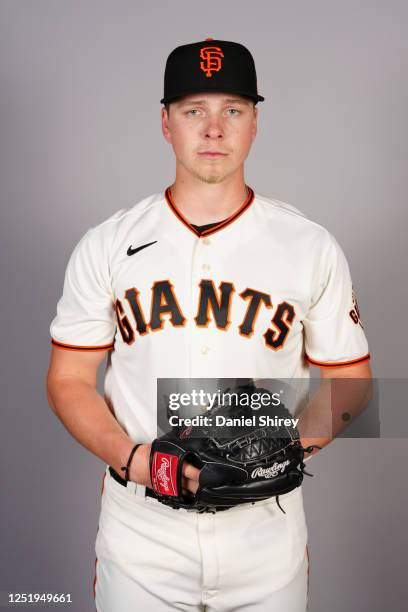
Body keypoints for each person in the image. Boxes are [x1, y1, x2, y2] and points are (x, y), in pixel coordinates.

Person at [46, 38, 372, 611]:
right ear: (166, 123)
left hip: (264, 530)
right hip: (142, 529)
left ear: (255, 124)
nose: (214, 128)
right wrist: (135, 460)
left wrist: (287, 449)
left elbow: (351, 377)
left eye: (233, 110)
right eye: (194, 110)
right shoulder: (107, 244)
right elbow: (69, 378)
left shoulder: (308, 244)